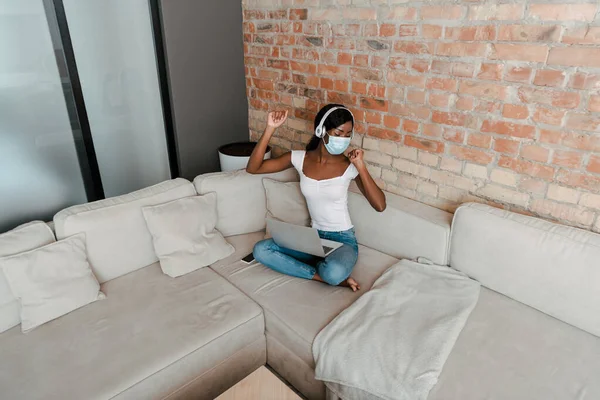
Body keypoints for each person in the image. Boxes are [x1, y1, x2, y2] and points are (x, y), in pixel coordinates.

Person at [246, 104, 386, 291]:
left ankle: (330, 275)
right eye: (338, 133)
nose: (343, 139)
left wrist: (361, 166)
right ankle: (322, 277)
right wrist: (270, 128)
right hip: (313, 239)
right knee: (261, 250)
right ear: (321, 131)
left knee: (334, 271)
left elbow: (380, 205)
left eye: (347, 134)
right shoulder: (299, 158)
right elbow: (253, 168)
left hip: (342, 241)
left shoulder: (349, 166)